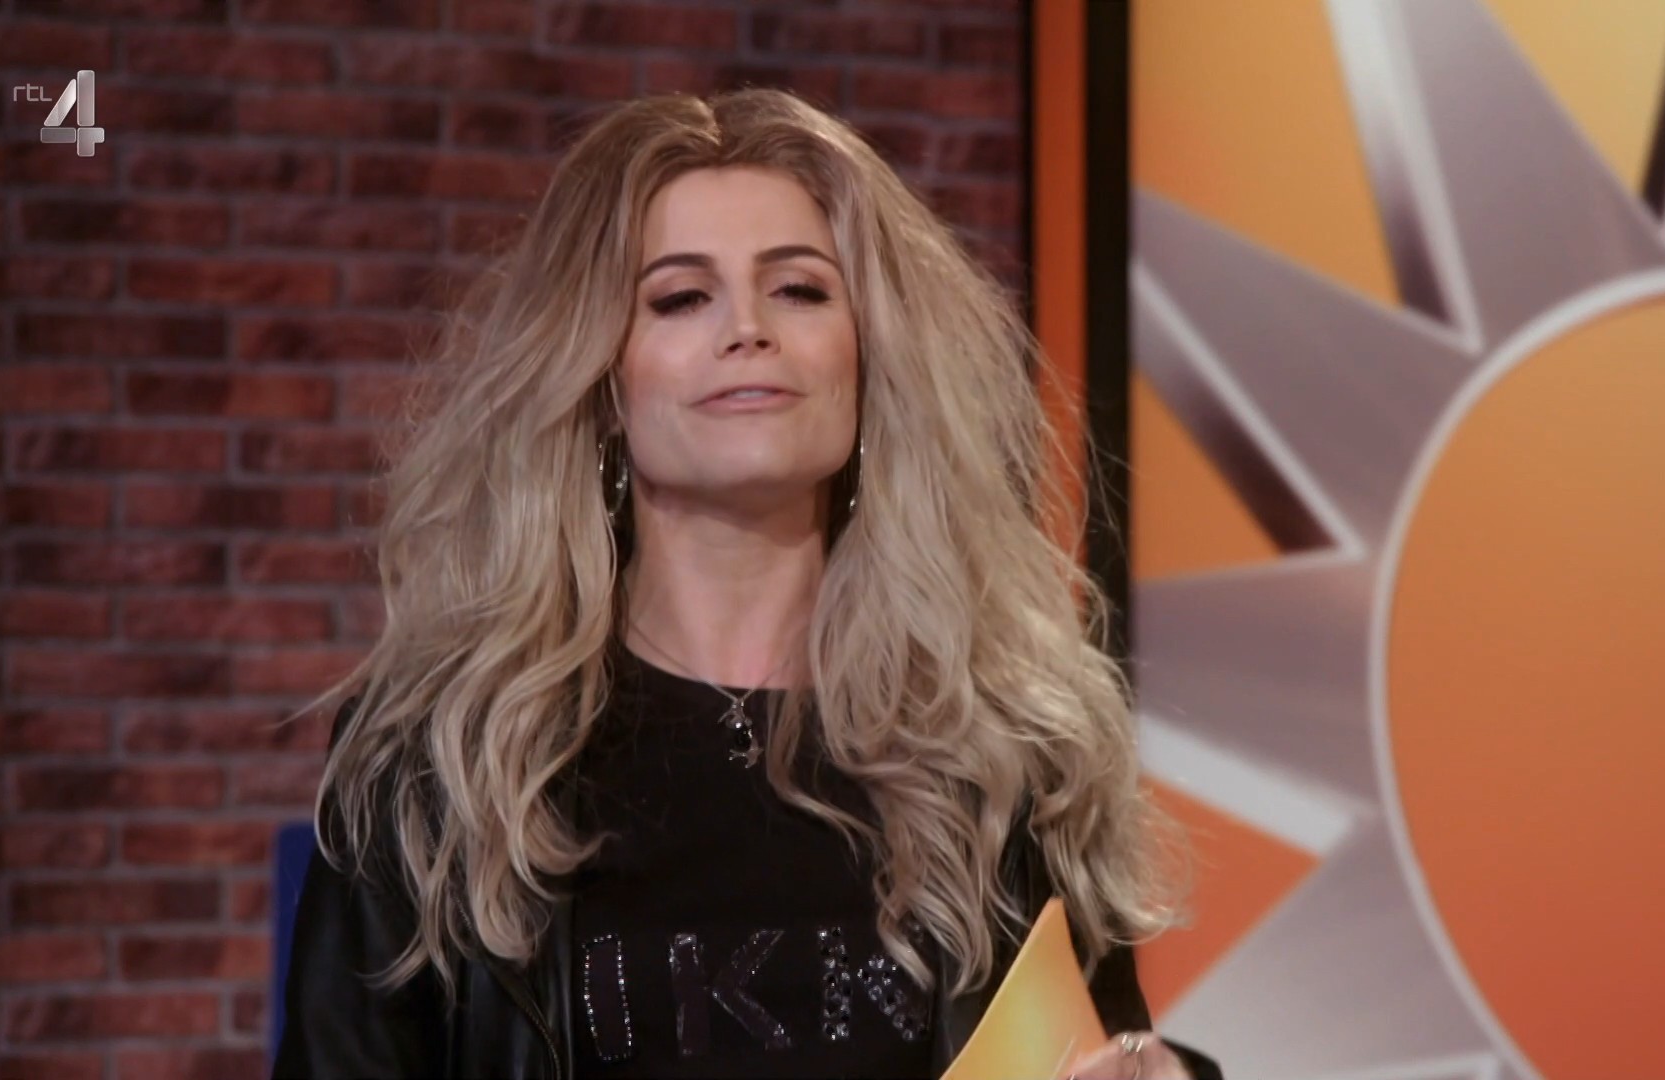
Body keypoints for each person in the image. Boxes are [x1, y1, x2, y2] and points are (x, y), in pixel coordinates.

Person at [273, 87, 1221, 1080]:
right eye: (681, 298)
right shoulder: (441, 757)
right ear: (602, 378)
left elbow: (1102, 1049)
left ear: (870, 355)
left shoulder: (1007, 749)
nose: (747, 329)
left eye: (800, 290)